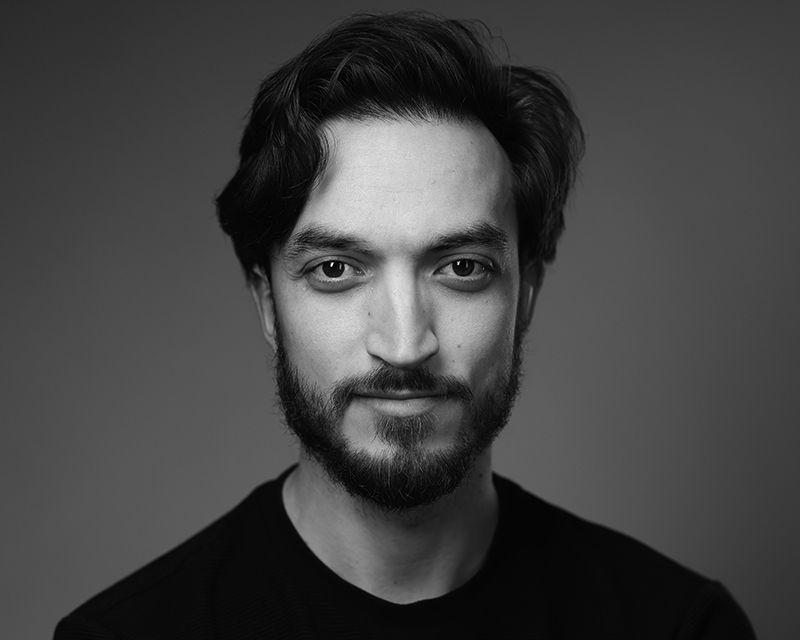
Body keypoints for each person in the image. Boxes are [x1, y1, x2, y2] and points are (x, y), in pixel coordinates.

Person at [55, 11, 756, 639]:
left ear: (528, 297)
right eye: (336, 270)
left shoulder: (679, 627)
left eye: (461, 268)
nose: (403, 344)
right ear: (268, 304)